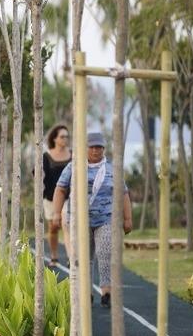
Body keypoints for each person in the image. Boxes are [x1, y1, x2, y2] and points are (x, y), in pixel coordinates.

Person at [51, 132, 132, 308]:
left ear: (104, 148)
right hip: (79, 221)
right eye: (92, 147)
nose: (96, 150)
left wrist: (127, 218)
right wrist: (56, 213)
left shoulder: (112, 169)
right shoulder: (74, 167)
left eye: (99, 147)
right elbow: (60, 189)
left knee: (104, 253)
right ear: (85, 148)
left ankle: (106, 292)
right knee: (83, 257)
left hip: (105, 219)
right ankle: (86, 292)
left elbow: (123, 193)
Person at [42, 125, 72, 266]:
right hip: (50, 197)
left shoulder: (72, 155)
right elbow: (39, 173)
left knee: (68, 224)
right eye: (62, 136)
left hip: (69, 197)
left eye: (67, 136)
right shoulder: (47, 156)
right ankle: (54, 256)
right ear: (54, 138)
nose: (65, 139)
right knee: (53, 227)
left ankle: (70, 256)